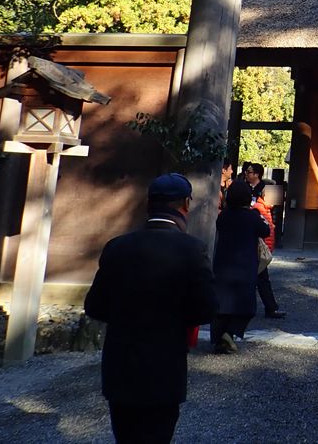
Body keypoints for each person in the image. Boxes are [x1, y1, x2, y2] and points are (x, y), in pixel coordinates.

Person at [84, 173, 217, 444]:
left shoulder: (117, 247)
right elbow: (206, 309)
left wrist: (124, 316)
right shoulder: (192, 250)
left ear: (149, 204)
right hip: (165, 364)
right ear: (186, 205)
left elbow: (95, 306)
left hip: (121, 364)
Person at [210, 179, 269, 353]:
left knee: (222, 304)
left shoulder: (223, 216)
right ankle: (229, 333)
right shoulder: (251, 217)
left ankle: (219, 339)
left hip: (223, 264)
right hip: (245, 266)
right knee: (246, 306)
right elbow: (265, 231)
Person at [244, 162, 284, 318]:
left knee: (260, 275)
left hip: (261, 237)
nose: (246, 174)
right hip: (255, 237)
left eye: (249, 172)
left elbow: (273, 215)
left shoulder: (266, 188)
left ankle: (268, 307)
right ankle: (270, 307)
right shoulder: (246, 189)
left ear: (257, 174)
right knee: (260, 276)